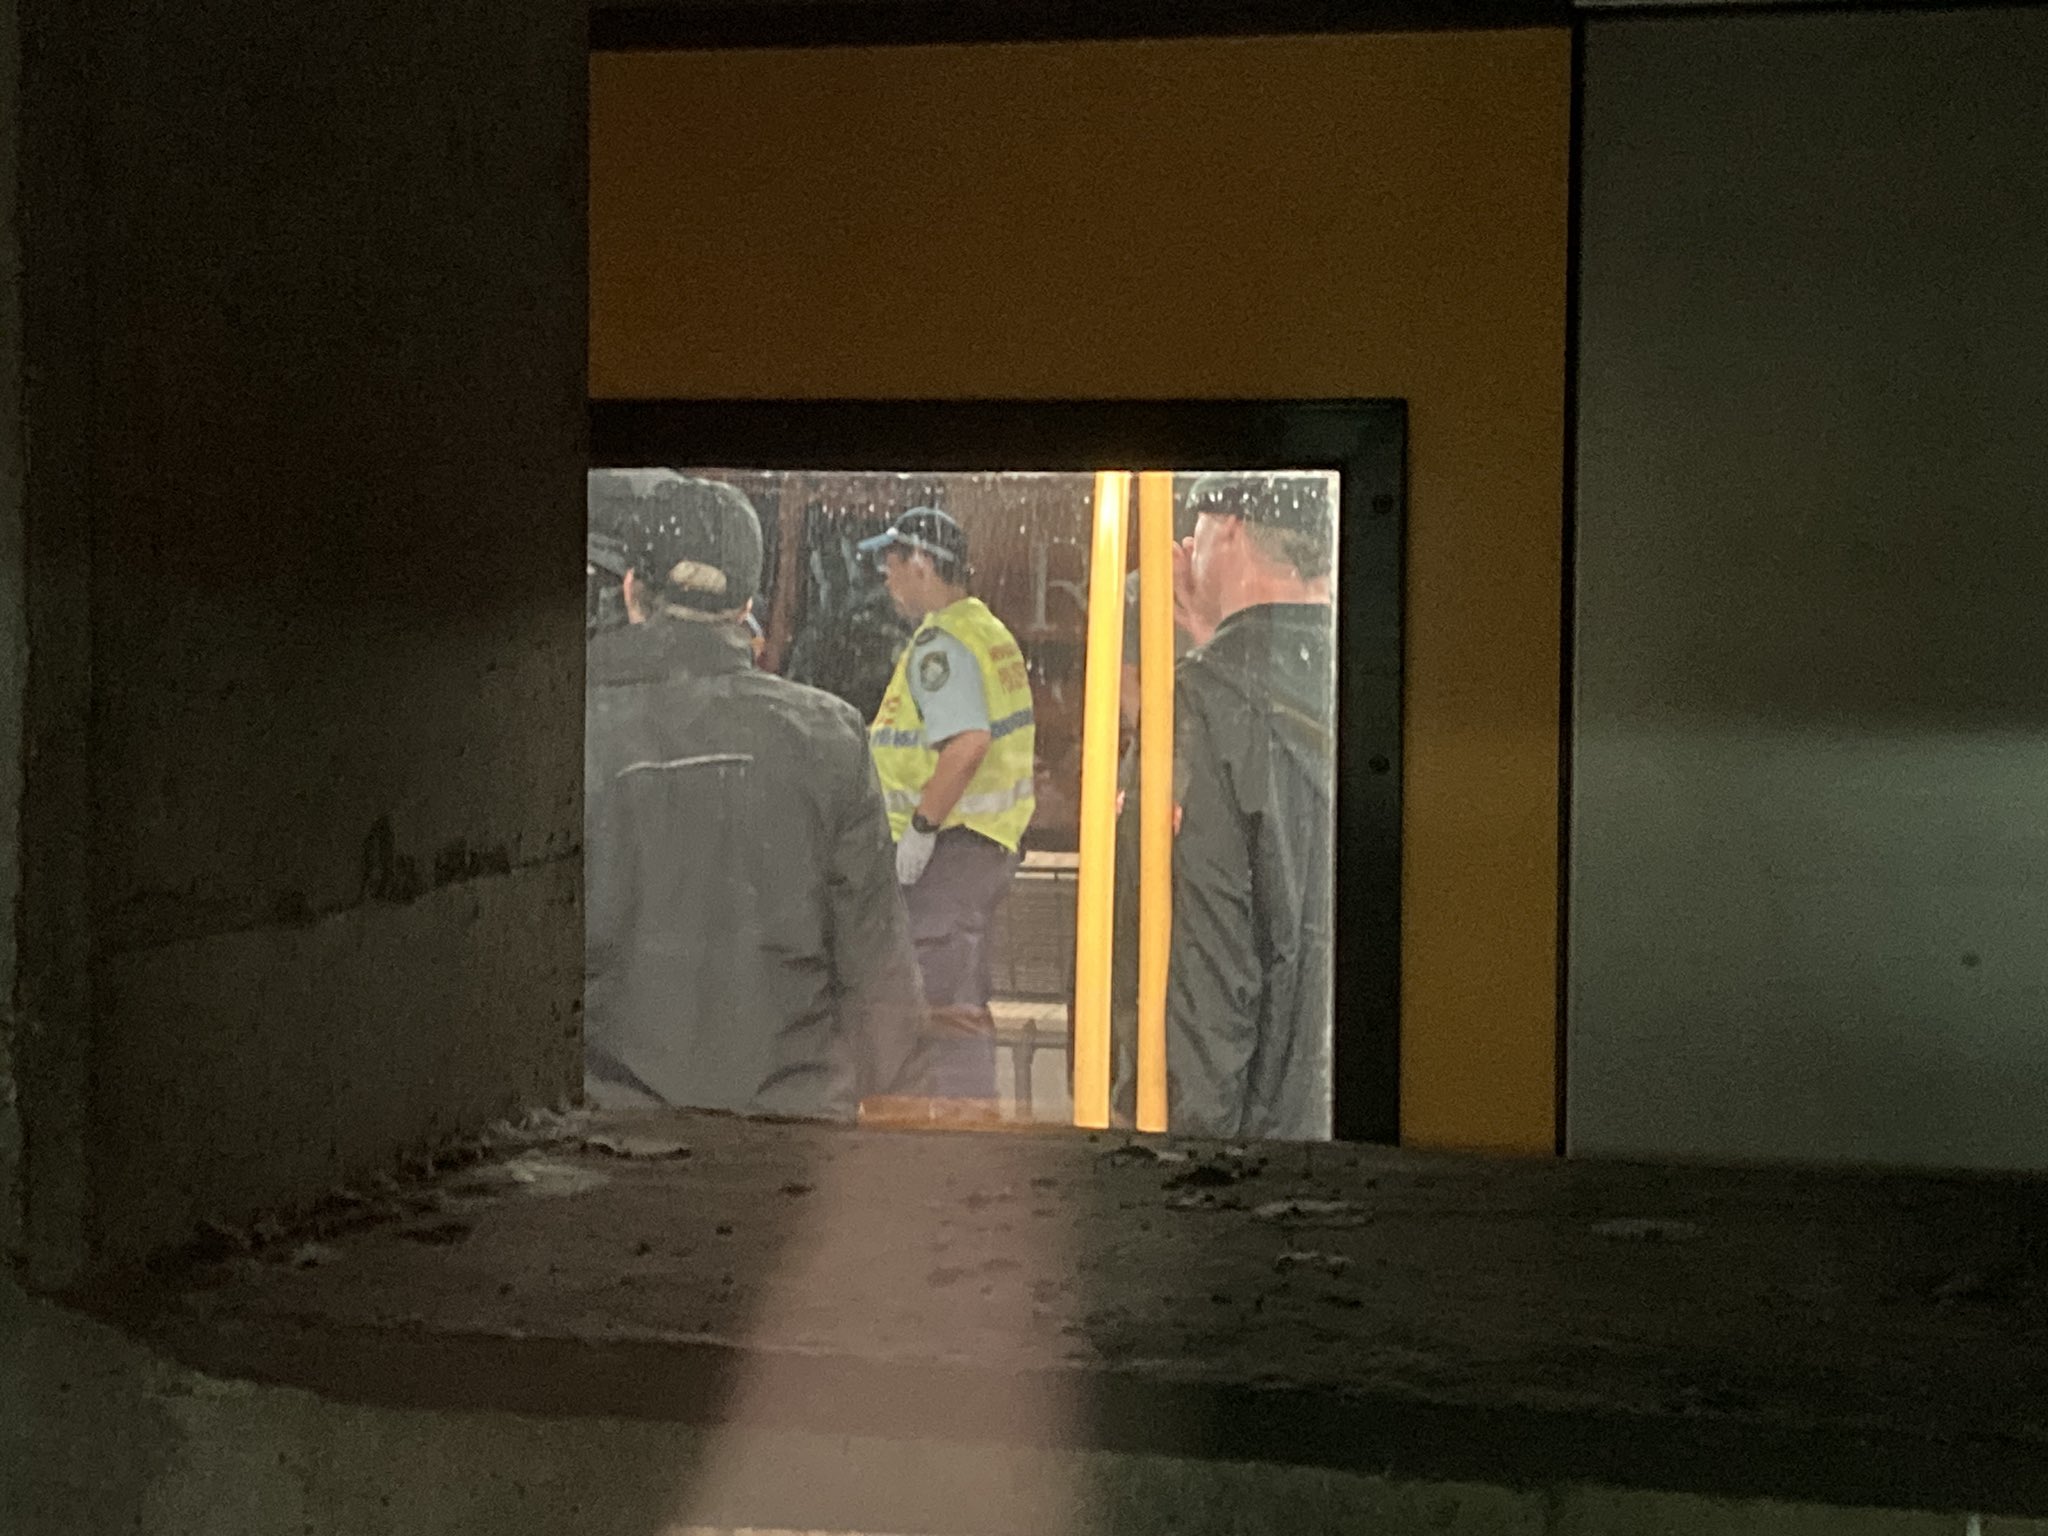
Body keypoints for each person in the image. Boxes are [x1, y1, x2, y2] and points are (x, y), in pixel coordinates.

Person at [583, 468, 927, 1120]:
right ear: (746, 608)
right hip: (788, 1143)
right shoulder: (830, 737)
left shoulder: (566, 733)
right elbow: (882, 994)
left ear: (633, 592)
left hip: (610, 1141)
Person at [1115, 472, 1338, 1141]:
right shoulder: (1370, 671)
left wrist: (1185, 1163)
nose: (1186, 543)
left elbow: (1203, 972)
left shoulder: (1199, 713)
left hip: (1252, 1155)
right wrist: (1216, 640)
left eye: (1198, 525)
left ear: (1231, 527)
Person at [860, 508, 1037, 1101]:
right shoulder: (984, 630)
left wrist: (920, 830)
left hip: (948, 856)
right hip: (977, 851)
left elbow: (966, 742)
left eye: (892, 565)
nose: (887, 579)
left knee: (941, 1019)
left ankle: (954, 1149)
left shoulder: (943, 643)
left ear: (922, 563)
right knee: (958, 1006)